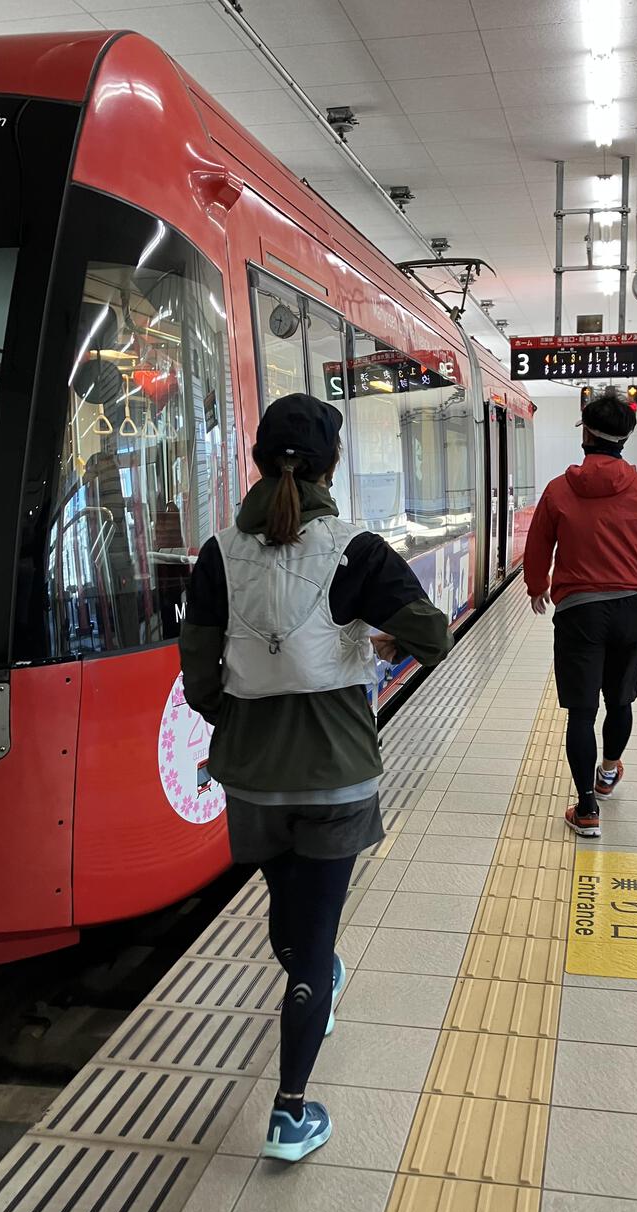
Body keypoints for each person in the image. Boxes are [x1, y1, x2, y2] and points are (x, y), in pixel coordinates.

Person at [179, 393, 453, 1162]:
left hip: (253, 778)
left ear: (260, 461)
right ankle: (290, 1111)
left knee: (288, 912)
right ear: (331, 466)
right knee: (317, 934)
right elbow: (434, 636)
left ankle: (313, 976)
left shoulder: (216, 555)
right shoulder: (356, 550)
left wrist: (238, 723)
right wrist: (382, 649)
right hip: (336, 775)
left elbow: (199, 676)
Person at [523, 394, 637, 838]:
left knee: (581, 712)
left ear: (586, 435)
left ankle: (587, 808)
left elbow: (538, 545)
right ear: (625, 438)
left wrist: (537, 585)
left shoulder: (558, 490)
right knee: (620, 701)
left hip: (578, 614)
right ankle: (609, 772)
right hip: (630, 611)